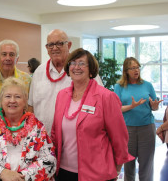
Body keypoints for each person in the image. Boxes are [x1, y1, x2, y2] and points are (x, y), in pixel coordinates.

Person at [51, 48, 134, 181]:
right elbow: (55, 132)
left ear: (91, 70)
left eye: (82, 63)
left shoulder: (106, 97)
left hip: (97, 173)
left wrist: (118, 167)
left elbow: (119, 136)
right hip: (64, 171)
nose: (76, 67)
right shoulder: (62, 95)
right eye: (73, 63)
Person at [0, 77, 56, 181]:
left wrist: (21, 177)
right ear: (1, 100)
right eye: (8, 96)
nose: (12, 100)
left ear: (25, 101)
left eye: (18, 96)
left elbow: (50, 160)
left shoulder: (38, 127)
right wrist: (2, 173)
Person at [28, 29, 103, 134]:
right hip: (42, 139)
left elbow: (101, 102)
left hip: (75, 139)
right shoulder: (39, 72)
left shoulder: (83, 70)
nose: (54, 48)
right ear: (46, 48)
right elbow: (31, 106)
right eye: (51, 44)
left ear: (69, 45)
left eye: (59, 43)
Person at [114, 57, 163, 181]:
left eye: (137, 67)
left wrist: (155, 106)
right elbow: (115, 109)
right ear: (126, 70)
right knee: (129, 166)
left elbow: (154, 106)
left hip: (146, 128)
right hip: (127, 129)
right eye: (132, 68)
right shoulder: (119, 87)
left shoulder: (147, 85)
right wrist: (132, 106)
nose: (136, 70)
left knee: (146, 166)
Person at [0, 39, 31, 108]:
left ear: (17, 59)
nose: (8, 58)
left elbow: (30, 107)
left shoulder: (27, 80)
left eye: (11, 55)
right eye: (4, 54)